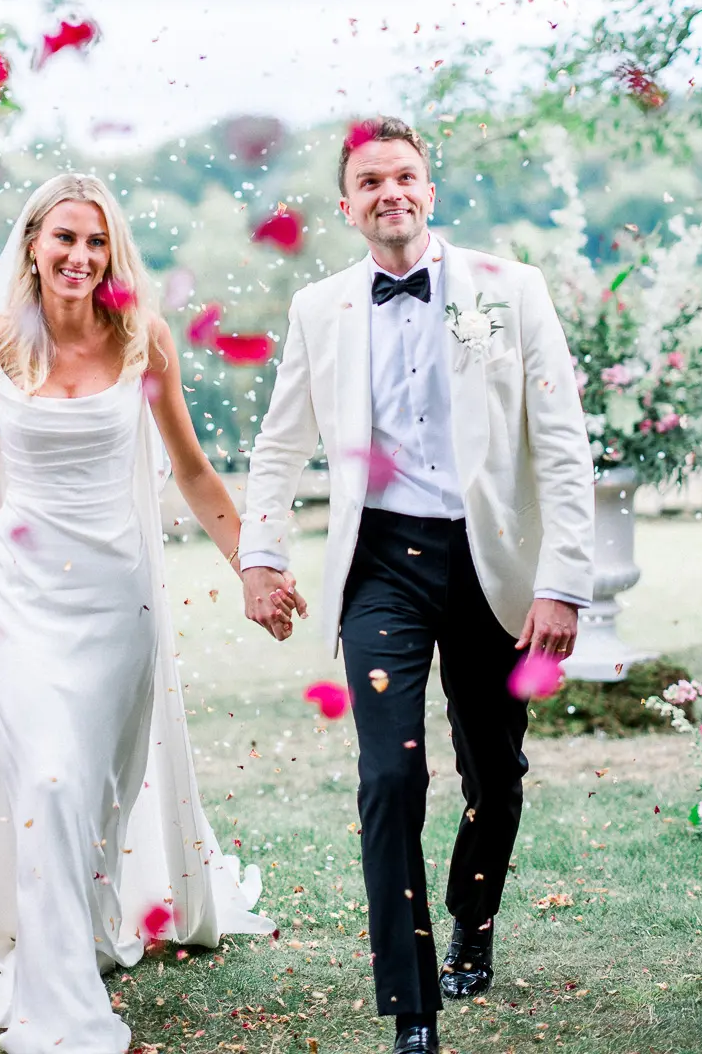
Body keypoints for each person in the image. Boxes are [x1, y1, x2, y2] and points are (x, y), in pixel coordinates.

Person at [0, 173, 270, 1054]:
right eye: (64, 241)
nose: (79, 258)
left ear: (111, 253)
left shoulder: (143, 343)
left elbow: (194, 472)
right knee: (47, 777)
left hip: (116, 602)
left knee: (96, 787)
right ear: (34, 246)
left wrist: (252, 567)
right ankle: (59, 992)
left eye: (95, 243)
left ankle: (78, 926)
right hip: (19, 595)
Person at [237, 119, 596, 1054]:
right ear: (348, 204)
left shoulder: (509, 291)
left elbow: (561, 444)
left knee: (496, 773)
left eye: (406, 177)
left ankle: (473, 922)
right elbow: (278, 447)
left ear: (429, 193)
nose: (390, 192)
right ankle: (411, 1006)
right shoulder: (320, 310)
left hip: (492, 568)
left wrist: (561, 581)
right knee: (390, 773)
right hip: (380, 567)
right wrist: (261, 557)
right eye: (370, 181)